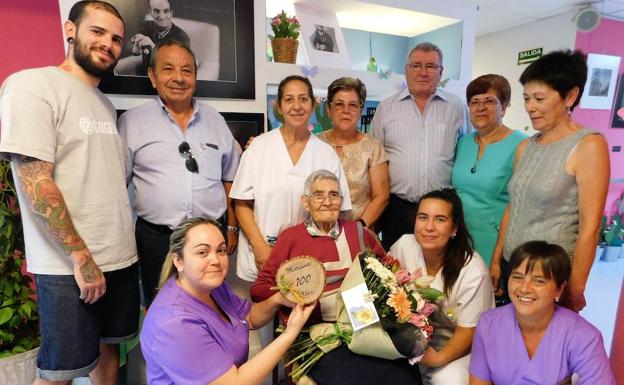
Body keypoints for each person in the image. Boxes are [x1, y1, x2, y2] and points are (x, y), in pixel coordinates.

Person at [0, 2, 139, 384]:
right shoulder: (32, 85)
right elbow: (35, 179)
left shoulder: (104, 104)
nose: (108, 44)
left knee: (110, 353)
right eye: (97, 32)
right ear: (71, 30)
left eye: (116, 39)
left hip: (119, 257)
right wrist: (80, 256)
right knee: (59, 371)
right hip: (69, 266)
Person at [251, 170, 422, 385]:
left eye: (334, 195)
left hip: (365, 326)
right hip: (317, 334)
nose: (327, 201)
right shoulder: (291, 238)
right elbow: (258, 289)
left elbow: (389, 272)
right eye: (318, 195)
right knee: (352, 377)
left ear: (341, 201)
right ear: (305, 202)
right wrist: (288, 294)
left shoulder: (358, 233)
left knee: (404, 374)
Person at [118, 40, 240, 307]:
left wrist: (231, 227)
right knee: (161, 309)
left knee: (212, 306)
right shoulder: (131, 122)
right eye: (168, 69)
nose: (178, 78)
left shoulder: (215, 120)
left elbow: (231, 177)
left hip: (209, 237)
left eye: (187, 71)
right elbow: (117, 184)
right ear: (152, 76)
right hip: (156, 240)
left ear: (195, 78)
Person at [490, 50, 610, 312]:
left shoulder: (588, 145)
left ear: (570, 96)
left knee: (542, 349)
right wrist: (498, 258)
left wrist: (576, 288)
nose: (530, 107)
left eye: (539, 98)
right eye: (526, 98)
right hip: (515, 266)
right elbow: (514, 207)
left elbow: (589, 227)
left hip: (549, 277)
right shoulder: (526, 146)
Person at [140, 217, 315, 385]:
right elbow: (234, 382)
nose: (215, 260)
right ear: (178, 261)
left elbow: (250, 317)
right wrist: (290, 333)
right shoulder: (175, 324)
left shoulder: (211, 286)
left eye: (221, 250)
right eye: (202, 252)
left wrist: (278, 298)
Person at [230, 75, 351, 283]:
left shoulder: (325, 154)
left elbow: (341, 209)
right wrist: (260, 247)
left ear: (313, 105)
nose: (297, 106)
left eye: (303, 99)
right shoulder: (259, 147)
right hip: (261, 254)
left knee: (301, 313)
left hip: (309, 258)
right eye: (289, 99)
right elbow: (241, 202)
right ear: (278, 106)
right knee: (260, 312)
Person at [469, 241, 617, 385]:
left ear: (559, 289)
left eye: (538, 281)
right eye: (517, 277)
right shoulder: (489, 324)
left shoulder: (584, 336)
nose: (524, 288)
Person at [390, 188, 494, 385]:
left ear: (454, 228)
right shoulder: (403, 245)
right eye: (423, 217)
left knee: (445, 379)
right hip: (414, 341)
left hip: (462, 346)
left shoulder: (472, 272)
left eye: (440, 219)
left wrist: (436, 358)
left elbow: (467, 332)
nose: (429, 227)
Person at [372, 42, 468, 249]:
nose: (423, 72)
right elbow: (375, 157)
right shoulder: (386, 108)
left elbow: (467, 151)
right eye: (416, 65)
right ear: (406, 70)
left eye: (431, 66)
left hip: (442, 209)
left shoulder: (457, 108)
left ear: (440, 72)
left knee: (440, 271)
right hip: (397, 208)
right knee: (395, 271)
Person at [451, 74, 526, 266]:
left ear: (504, 106)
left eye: (489, 101)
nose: (480, 107)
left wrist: (497, 259)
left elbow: (519, 207)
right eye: (474, 102)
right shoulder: (464, 142)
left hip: (494, 243)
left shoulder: (521, 144)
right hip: (458, 240)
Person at [318, 77, 389, 229]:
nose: (346, 111)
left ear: (360, 110)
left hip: (360, 232)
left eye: (353, 105)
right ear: (328, 109)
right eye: (339, 104)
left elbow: (381, 196)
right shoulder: (314, 144)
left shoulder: (374, 148)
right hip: (316, 232)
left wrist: (359, 228)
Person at [116, 0, 190, 75]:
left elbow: (177, 64)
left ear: (171, 12)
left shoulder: (182, 37)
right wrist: (134, 48)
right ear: (150, 12)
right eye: (156, 11)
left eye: (166, 11)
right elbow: (128, 43)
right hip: (142, 77)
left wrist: (154, 49)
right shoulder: (145, 26)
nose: (162, 17)